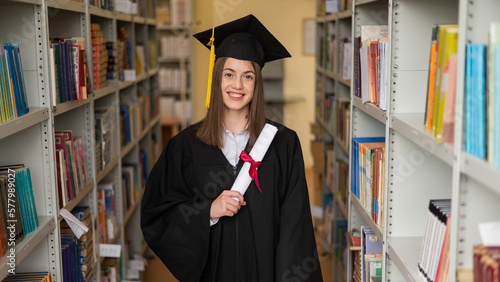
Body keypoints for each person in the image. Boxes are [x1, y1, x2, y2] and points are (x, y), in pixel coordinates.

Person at [141, 14, 323, 282]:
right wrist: (207, 211)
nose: (237, 85)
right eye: (229, 74)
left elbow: (296, 227)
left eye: (247, 76)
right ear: (217, 78)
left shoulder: (283, 143)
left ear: (257, 83)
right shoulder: (185, 146)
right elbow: (158, 214)